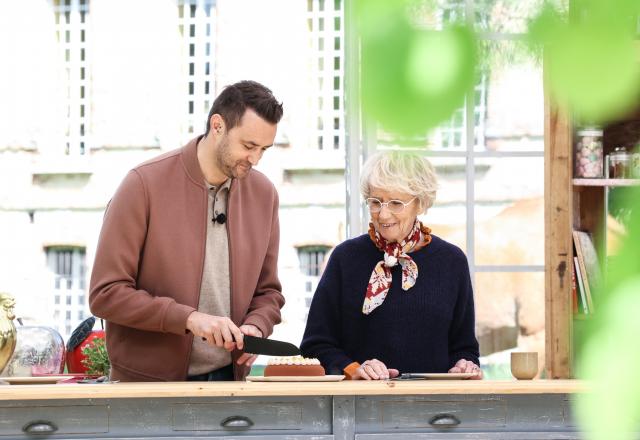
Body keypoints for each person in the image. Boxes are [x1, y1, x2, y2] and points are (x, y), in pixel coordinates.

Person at [89, 80, 285, 382]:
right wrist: (189, 319)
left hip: (229, 381)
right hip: (146, 387)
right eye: (248, 146)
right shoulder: (142, 184)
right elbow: (106, 293)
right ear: (217, 125)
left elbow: (268, 291)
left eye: (264, 149)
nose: (255, 159)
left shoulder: (264, 194)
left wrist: (257, 325)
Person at [301, 151, 481, 380]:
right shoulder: (345, 258)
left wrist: (465, 365)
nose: (383, 214)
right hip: (359, 406)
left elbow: (465, 349)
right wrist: (353, 368)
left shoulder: (452, 261)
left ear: (421, 203)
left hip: (434, 407)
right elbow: (315, 346)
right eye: (375, 202)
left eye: (396, 203)